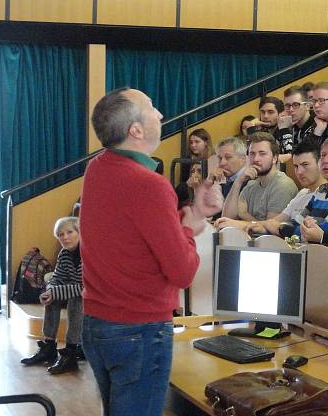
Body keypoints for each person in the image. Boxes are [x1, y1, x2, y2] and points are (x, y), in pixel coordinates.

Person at [80, 88, 221, 416]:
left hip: (98, 325)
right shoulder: (150, 185)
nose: (160, 115)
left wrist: (191, 217)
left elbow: (134, 239)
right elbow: (182, 271)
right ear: (136, 130)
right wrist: (189, 229)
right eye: (152, 108)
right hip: (137, 330)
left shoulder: (98, 168)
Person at [20, 216, 84, 374]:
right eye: (61, 234)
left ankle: (71, 351)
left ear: (80, 232)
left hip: (94, 293)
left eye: (69, 232)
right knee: (52, 298)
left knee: (76, 301)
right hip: (75, 288)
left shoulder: (88, 253)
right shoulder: (64, 254)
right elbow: (58, 277)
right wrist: (49, 290)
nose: (65, 237)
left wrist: (54, 291)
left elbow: (86, 287)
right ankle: (49, 347)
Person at [215, 133, 298, 230]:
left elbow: (270, 229)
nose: (256, 159)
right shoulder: (251, 184)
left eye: (262, 154)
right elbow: (227, 218)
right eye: (252, 154)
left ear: (275, 158)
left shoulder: (283, 185)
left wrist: (243, 215)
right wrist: (238, 182)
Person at [276, 85, 315, 160]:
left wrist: (284, 130)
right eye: (287, 105)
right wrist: (280, 128)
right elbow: (275, 152)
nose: (290, 109)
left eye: (295, 105)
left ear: (307, 106)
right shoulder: (288, 125)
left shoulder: (316, 127)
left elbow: (292, 158)